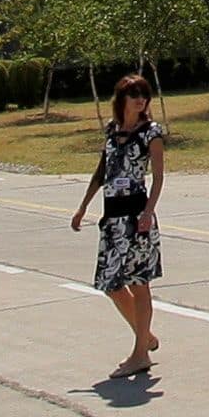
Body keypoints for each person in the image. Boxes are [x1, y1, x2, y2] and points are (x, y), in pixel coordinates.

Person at [69, 74, 166, 380]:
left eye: (144, 95)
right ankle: (145, 335)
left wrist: (148, 212)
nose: (140, 99)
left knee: (139, 283)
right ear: (122, 99)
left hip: (137, 217)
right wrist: (83, 206)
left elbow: (159, 177)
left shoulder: (151, 133)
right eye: (134, 94)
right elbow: (102, 172)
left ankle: (140, 355)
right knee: (110, 284)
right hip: (112, 219)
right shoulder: (112, 132)